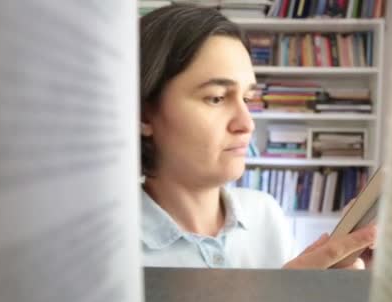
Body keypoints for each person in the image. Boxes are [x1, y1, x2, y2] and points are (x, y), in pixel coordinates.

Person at [139, 4, 376, 269]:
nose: (247, 123)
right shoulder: (105, 250)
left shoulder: (265, 213)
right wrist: (280, 295)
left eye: (247, 98)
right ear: (145, 115)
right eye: (216, 98)